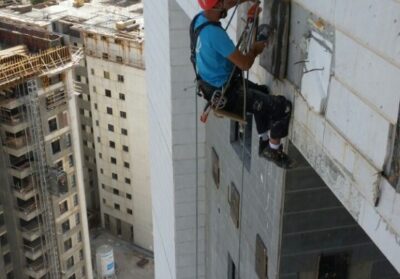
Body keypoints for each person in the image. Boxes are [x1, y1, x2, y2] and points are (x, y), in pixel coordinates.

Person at [191, 0, 294, 169]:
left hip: (215, 87)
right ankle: (274, 149)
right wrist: (255, 49)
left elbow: (228, 3)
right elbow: (245, 64)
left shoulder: (198, 21)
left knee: (263, 93)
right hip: (229, 95)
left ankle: (264, 142)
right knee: (282, 108)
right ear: (217, 5)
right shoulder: (214, 35)